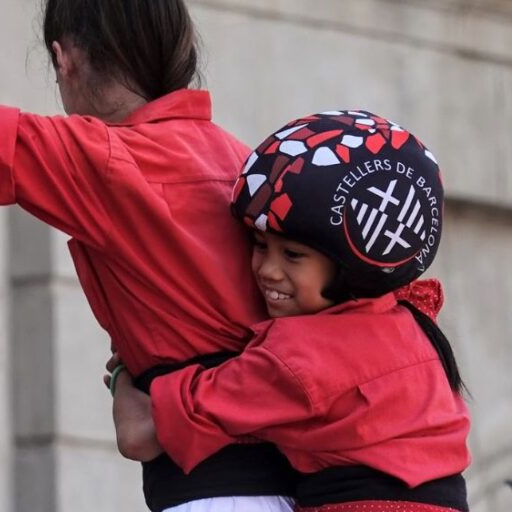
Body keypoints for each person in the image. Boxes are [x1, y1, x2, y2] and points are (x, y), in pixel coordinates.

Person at [0, 0, 298, 510]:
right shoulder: (246, 161)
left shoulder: (103, 158)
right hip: (295, 487)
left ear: (64, 59)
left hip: (213, 495)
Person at [109, 110, 472, 512]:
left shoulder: (299, 362)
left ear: (350, 268)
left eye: (293, 255)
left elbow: (138, 435)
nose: (267, 270)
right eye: (260, 245)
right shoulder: (410, 327)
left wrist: (126, 371)